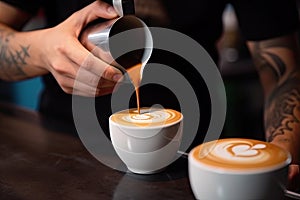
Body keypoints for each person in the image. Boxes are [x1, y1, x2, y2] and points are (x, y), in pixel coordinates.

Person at [0, 0, 299, 190]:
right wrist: (44, 50)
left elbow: (283, 69)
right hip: (66, 151)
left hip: (195, 160)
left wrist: (283, 155)